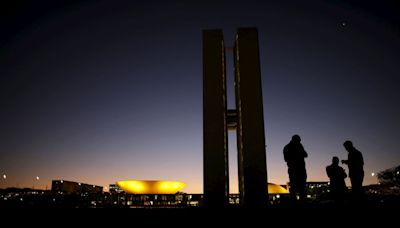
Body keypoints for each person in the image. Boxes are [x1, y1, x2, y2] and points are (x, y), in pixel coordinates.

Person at [283, 134, 308, 202]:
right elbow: (286, 159)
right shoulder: (287, 147)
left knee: (302, 186)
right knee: (294, 186)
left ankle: (302, 200)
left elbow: (306, 154)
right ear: (294, 140)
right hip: (293, 169)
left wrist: (300, 149)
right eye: (298, 141)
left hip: (301, 169)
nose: (299, 142)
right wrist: (297, 154)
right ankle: (294, 201)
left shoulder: (299, 146)